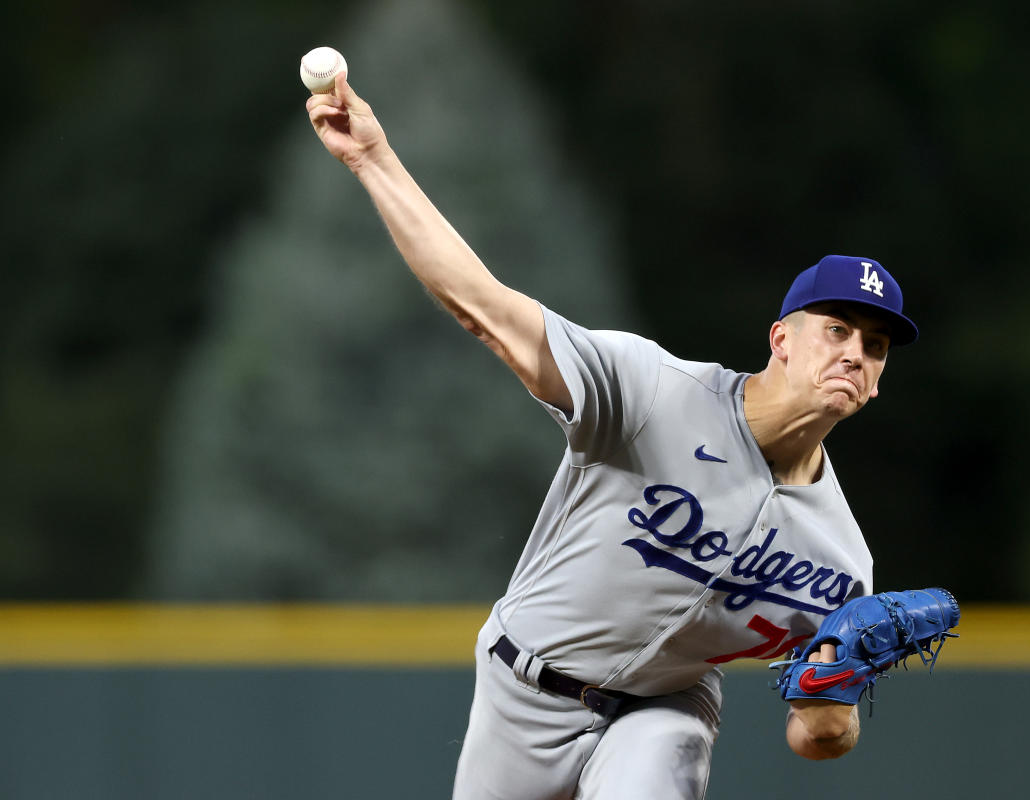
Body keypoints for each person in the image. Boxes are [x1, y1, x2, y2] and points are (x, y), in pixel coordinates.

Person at [307, 73, 919, 800]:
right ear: (782, 339)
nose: (854, 352)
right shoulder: (650, 390)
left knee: (667, 749)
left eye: (875, 346)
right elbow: (485, 309)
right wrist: (372, 160)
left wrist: (837, 692)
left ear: (878, 380)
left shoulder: (841, 560)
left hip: (665, 708)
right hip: (522, 688)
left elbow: (816, 734)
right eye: (838, 330)